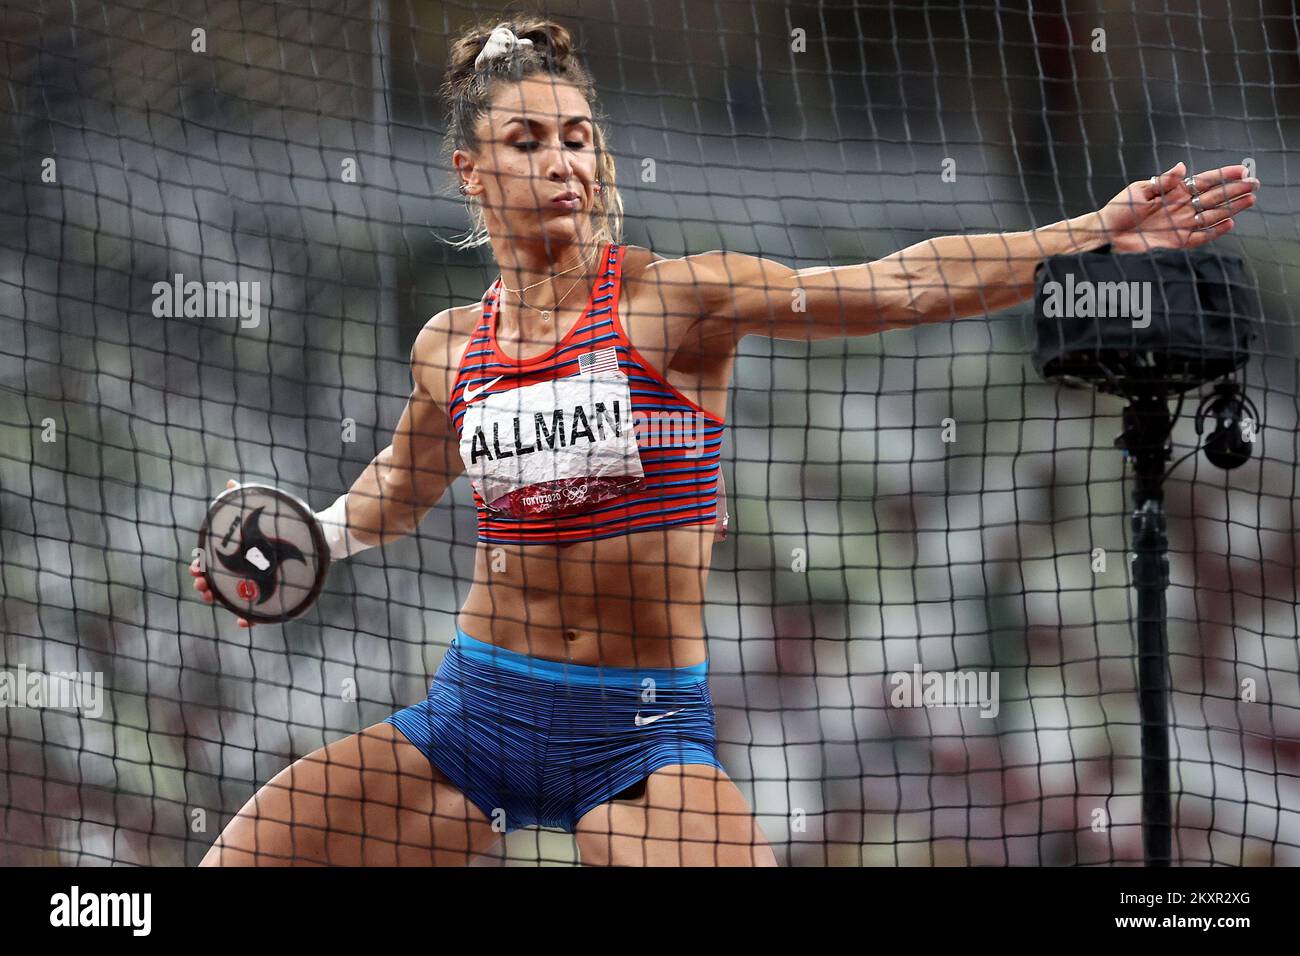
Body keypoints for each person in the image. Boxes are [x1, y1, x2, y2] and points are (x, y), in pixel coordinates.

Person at [191, 16, 1258, 866]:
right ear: (470, 170)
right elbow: (402, 481)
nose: (563, 161)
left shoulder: (675, 301)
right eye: (526, 141)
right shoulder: (448, 344)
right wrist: (314, 535)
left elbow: (901, 283)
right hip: (473, 714)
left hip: (639, 735)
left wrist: (1087, 234)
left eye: (576, 137)